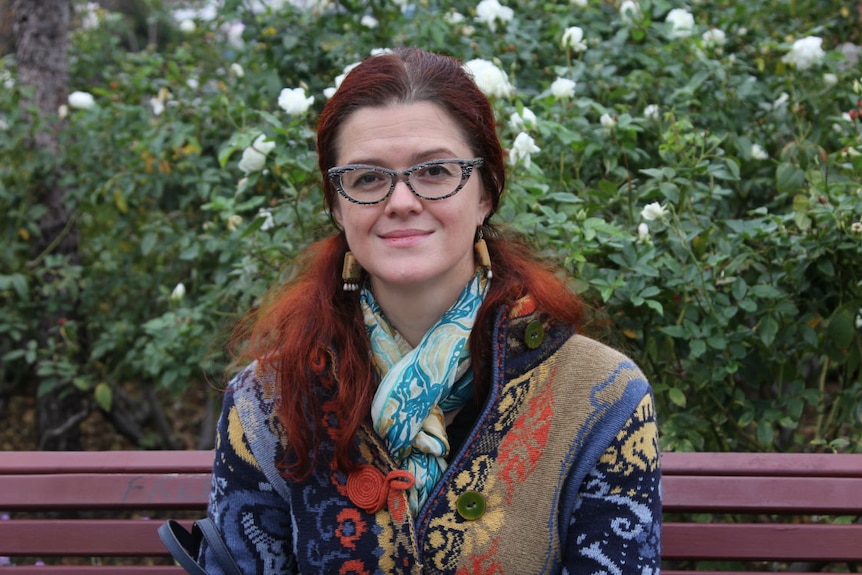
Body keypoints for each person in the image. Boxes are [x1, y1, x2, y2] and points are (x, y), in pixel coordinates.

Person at [200, 47, 661, 574]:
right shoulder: (270, 399)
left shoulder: (600, 393)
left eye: (436, 171)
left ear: (486, 192)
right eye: (368, 178)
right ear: (337, 204)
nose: (401, 201)